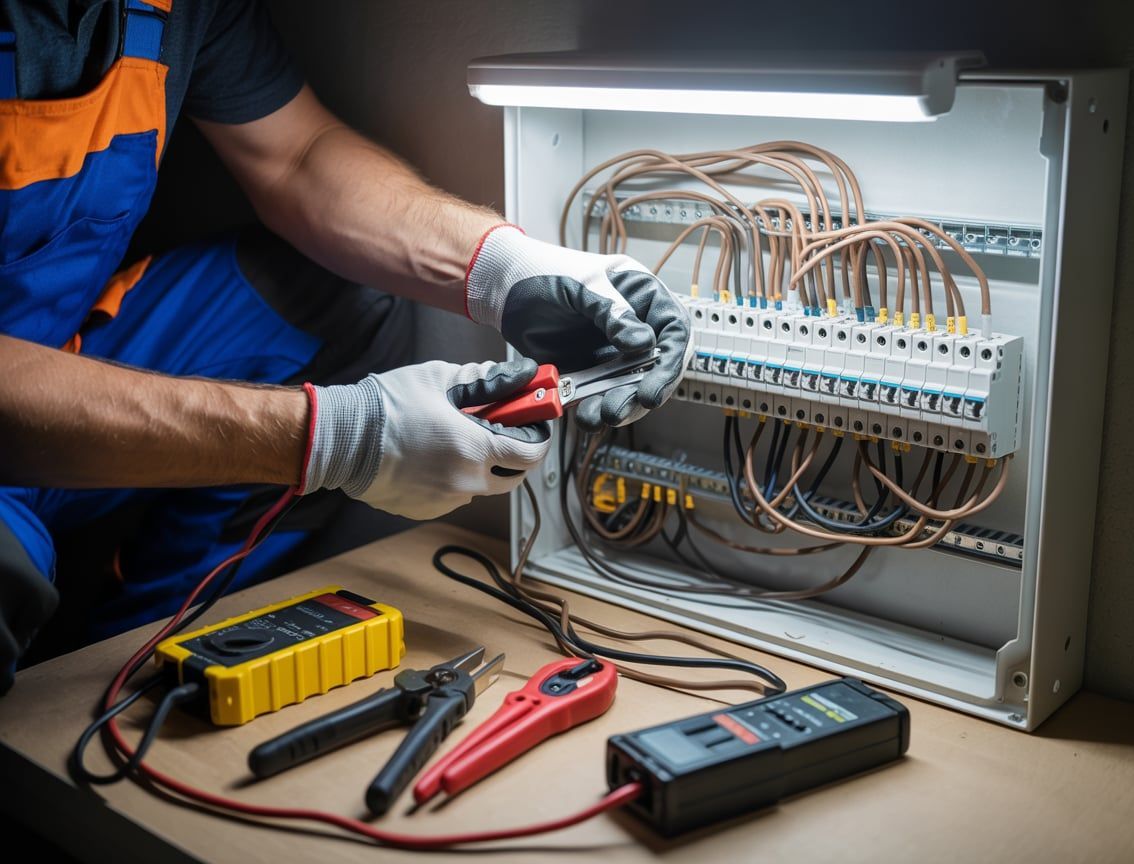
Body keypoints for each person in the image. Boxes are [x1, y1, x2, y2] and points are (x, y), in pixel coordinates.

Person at [0, 0, 691, 695]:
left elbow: (297, 154)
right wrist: (337, 437)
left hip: (58, 341)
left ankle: (129, 667)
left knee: (334, 298)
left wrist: (505, 268)